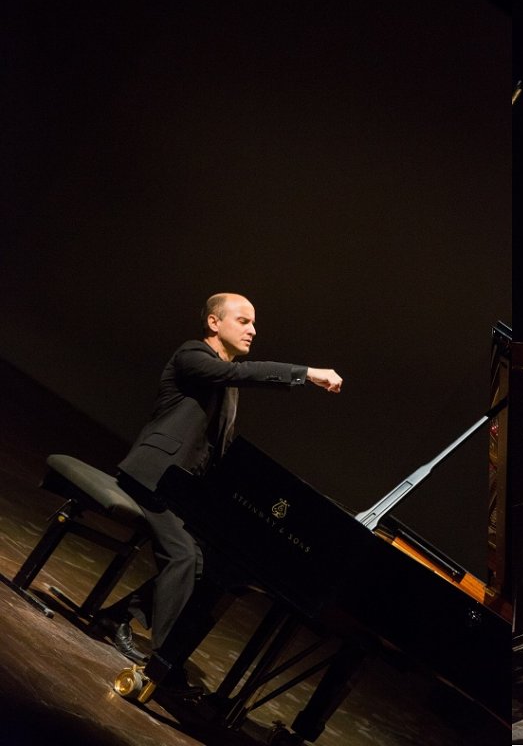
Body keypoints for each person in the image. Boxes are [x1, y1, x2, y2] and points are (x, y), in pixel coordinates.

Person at [94, 292, 343, 697]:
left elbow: (217, 450)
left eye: (254, 323)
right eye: (243, 321)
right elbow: (237, 375)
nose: (253, 330)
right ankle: (161, 664)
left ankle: (121, 616)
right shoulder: (192, 356)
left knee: (205, 564)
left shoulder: (228, 382)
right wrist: (306, 372)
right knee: (183, 555)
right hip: (151, 477)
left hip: (181, 490)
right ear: (214, 322)